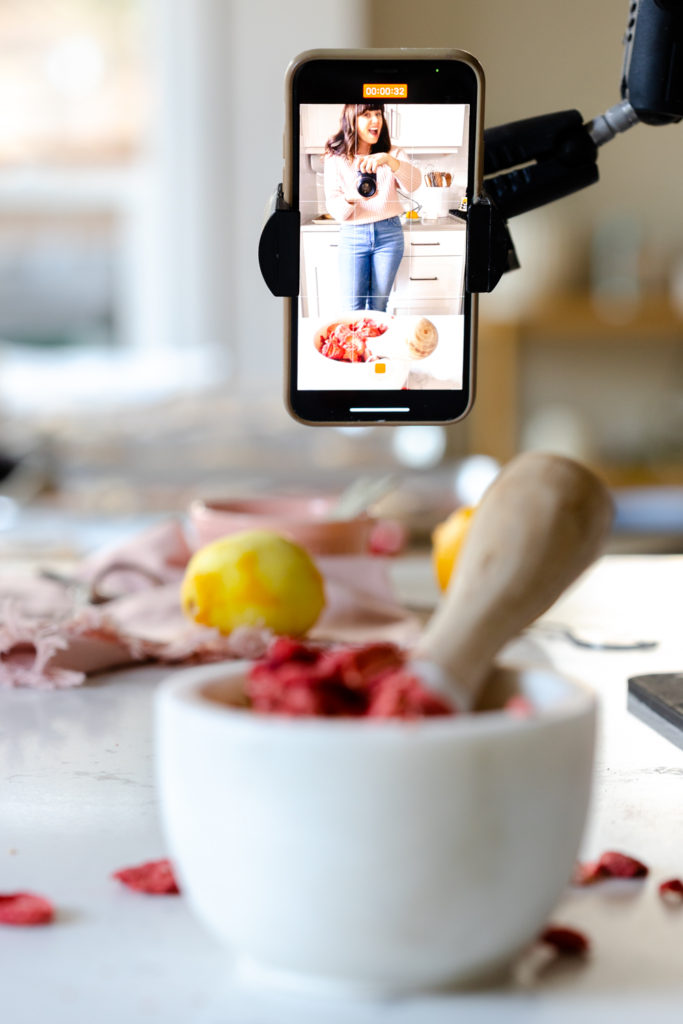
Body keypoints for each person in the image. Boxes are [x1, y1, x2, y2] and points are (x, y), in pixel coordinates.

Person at [324, 103, 421, 311]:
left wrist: (389, 161)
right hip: (352, 234)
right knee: (353, 307)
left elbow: (413, 185)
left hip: (389, 234)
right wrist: (355, 194)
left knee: (379, 305)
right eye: (367, 114)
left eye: (378, 114)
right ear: (352, 120)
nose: (376, 120)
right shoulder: (335, 157)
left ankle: (376, 334)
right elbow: (337, 210)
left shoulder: (393, 153)